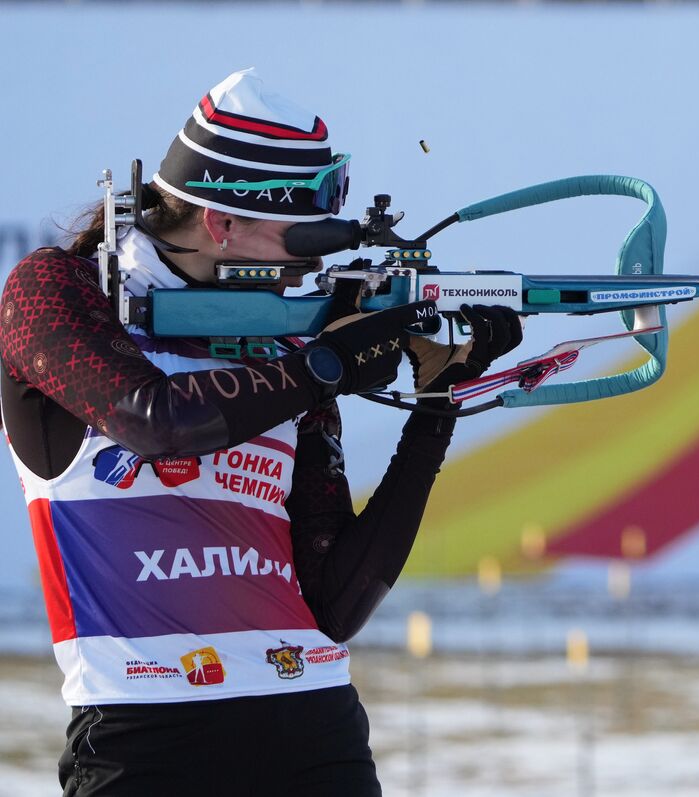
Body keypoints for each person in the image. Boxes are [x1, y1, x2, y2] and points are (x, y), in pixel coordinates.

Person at [0, 69, 522, 795]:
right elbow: (157, 420)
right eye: (301, 245)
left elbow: (336, 603)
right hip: (144, 736)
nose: (307, 273)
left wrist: (437, 401)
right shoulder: (59, 291)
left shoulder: (286, 345)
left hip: (317, 730)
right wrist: (327, 365)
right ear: (223, 223)